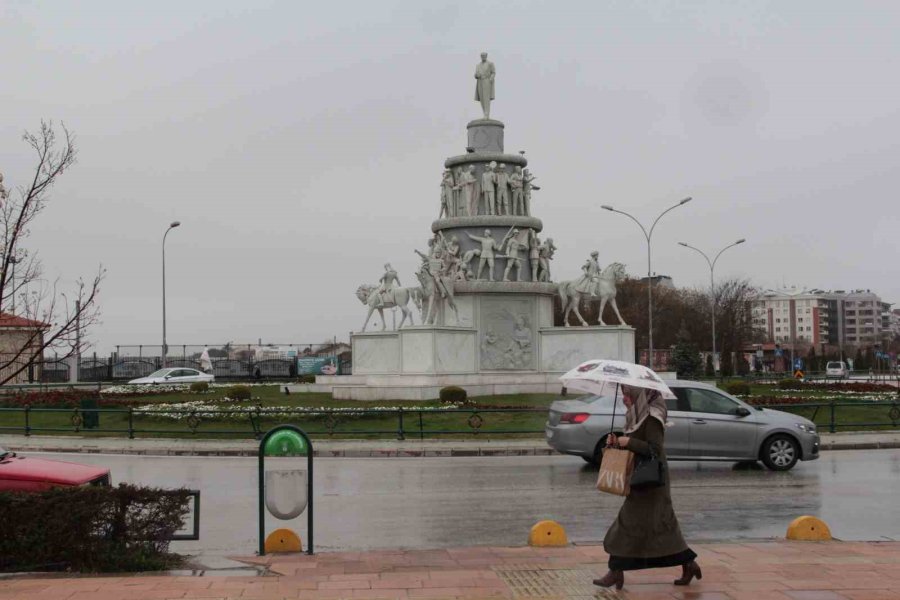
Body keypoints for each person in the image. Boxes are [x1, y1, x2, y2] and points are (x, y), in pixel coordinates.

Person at [594, 385, 701, 590]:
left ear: (639, 394)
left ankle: (615, 572)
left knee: (627, 525)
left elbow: (654, 449)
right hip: (640, 480)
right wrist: (616, 441)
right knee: (662, 528)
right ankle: (689, 564)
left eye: (628, 394)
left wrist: (628, 441)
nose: (624, 398)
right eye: (623, 394)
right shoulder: (637, 415)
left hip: (651, 483)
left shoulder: (652, 416)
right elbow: (634, 444)